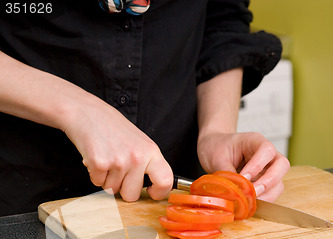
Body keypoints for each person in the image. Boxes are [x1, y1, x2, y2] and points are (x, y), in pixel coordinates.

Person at [0, 0, 290, 217]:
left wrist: (216, 132)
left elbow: (221, 19)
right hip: (22, 193)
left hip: (163, 195)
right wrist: (80, 111)